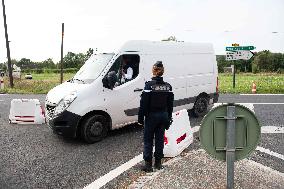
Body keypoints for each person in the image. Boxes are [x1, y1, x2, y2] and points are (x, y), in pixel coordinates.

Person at [138, 61, 174, 172]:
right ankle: (158, 164)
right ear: (162, 72)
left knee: (148, 140)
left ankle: (148, 166)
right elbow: (170, 105)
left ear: (153, 71)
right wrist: (168, 118)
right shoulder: (168, 87)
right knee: (159, 140)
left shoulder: (149, 86)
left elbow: (143, 104)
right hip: (163, 116)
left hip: (151, 117)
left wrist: (140, 119)